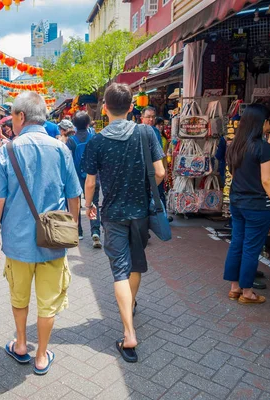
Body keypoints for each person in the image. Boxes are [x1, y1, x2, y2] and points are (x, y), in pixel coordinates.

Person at [0, 91, 81, 375]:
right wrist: (71, 227)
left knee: (19, 296)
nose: (10, 122)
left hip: (17, 241)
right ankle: (41, 356)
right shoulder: (61, 149)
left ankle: (20, 345)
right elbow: (74, 195)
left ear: (21, 117)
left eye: (12, 116)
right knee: (48, 301)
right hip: (53, 240)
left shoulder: (9, 150)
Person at [82, 83, 165, 363]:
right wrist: (144, 187)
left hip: (113, 214)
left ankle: (129, 334)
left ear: (104, 108)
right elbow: (160, 172)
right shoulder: (146, 132)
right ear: (132, 107)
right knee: (136, 265)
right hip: (141, 212)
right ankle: (131, 305)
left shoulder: (96, 142)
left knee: (119, 269)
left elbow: (91, 182)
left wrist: (87, 205)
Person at [224, 103, 270, 305]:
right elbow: (266, 179)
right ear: (261, 122)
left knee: (237, 244)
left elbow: (249, 170)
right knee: (251, 247)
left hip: (237, 202)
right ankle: (247, 292)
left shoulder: (236, 144)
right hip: (257, 205)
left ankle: (234, 288)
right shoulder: (262, 147)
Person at [67, 111, 102, 247]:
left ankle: (79, 231)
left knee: (76, 203)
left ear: (74, 124)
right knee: (94, 202)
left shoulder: (71, 140)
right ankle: (95, 231)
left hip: (76, 177)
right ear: (88, 124)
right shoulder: (94, 138)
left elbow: (67, 158)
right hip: (93, 176)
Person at [141, 107, 171, 220]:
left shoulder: (156, 132)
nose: (151, 119)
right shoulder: (138, 131)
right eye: (148, 117)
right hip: (144, 169)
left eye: (153, 117)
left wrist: (165, 169)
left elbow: (160, 153)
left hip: (156, 169)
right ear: (142, 118)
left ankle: (161, 216)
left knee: (159, 192)